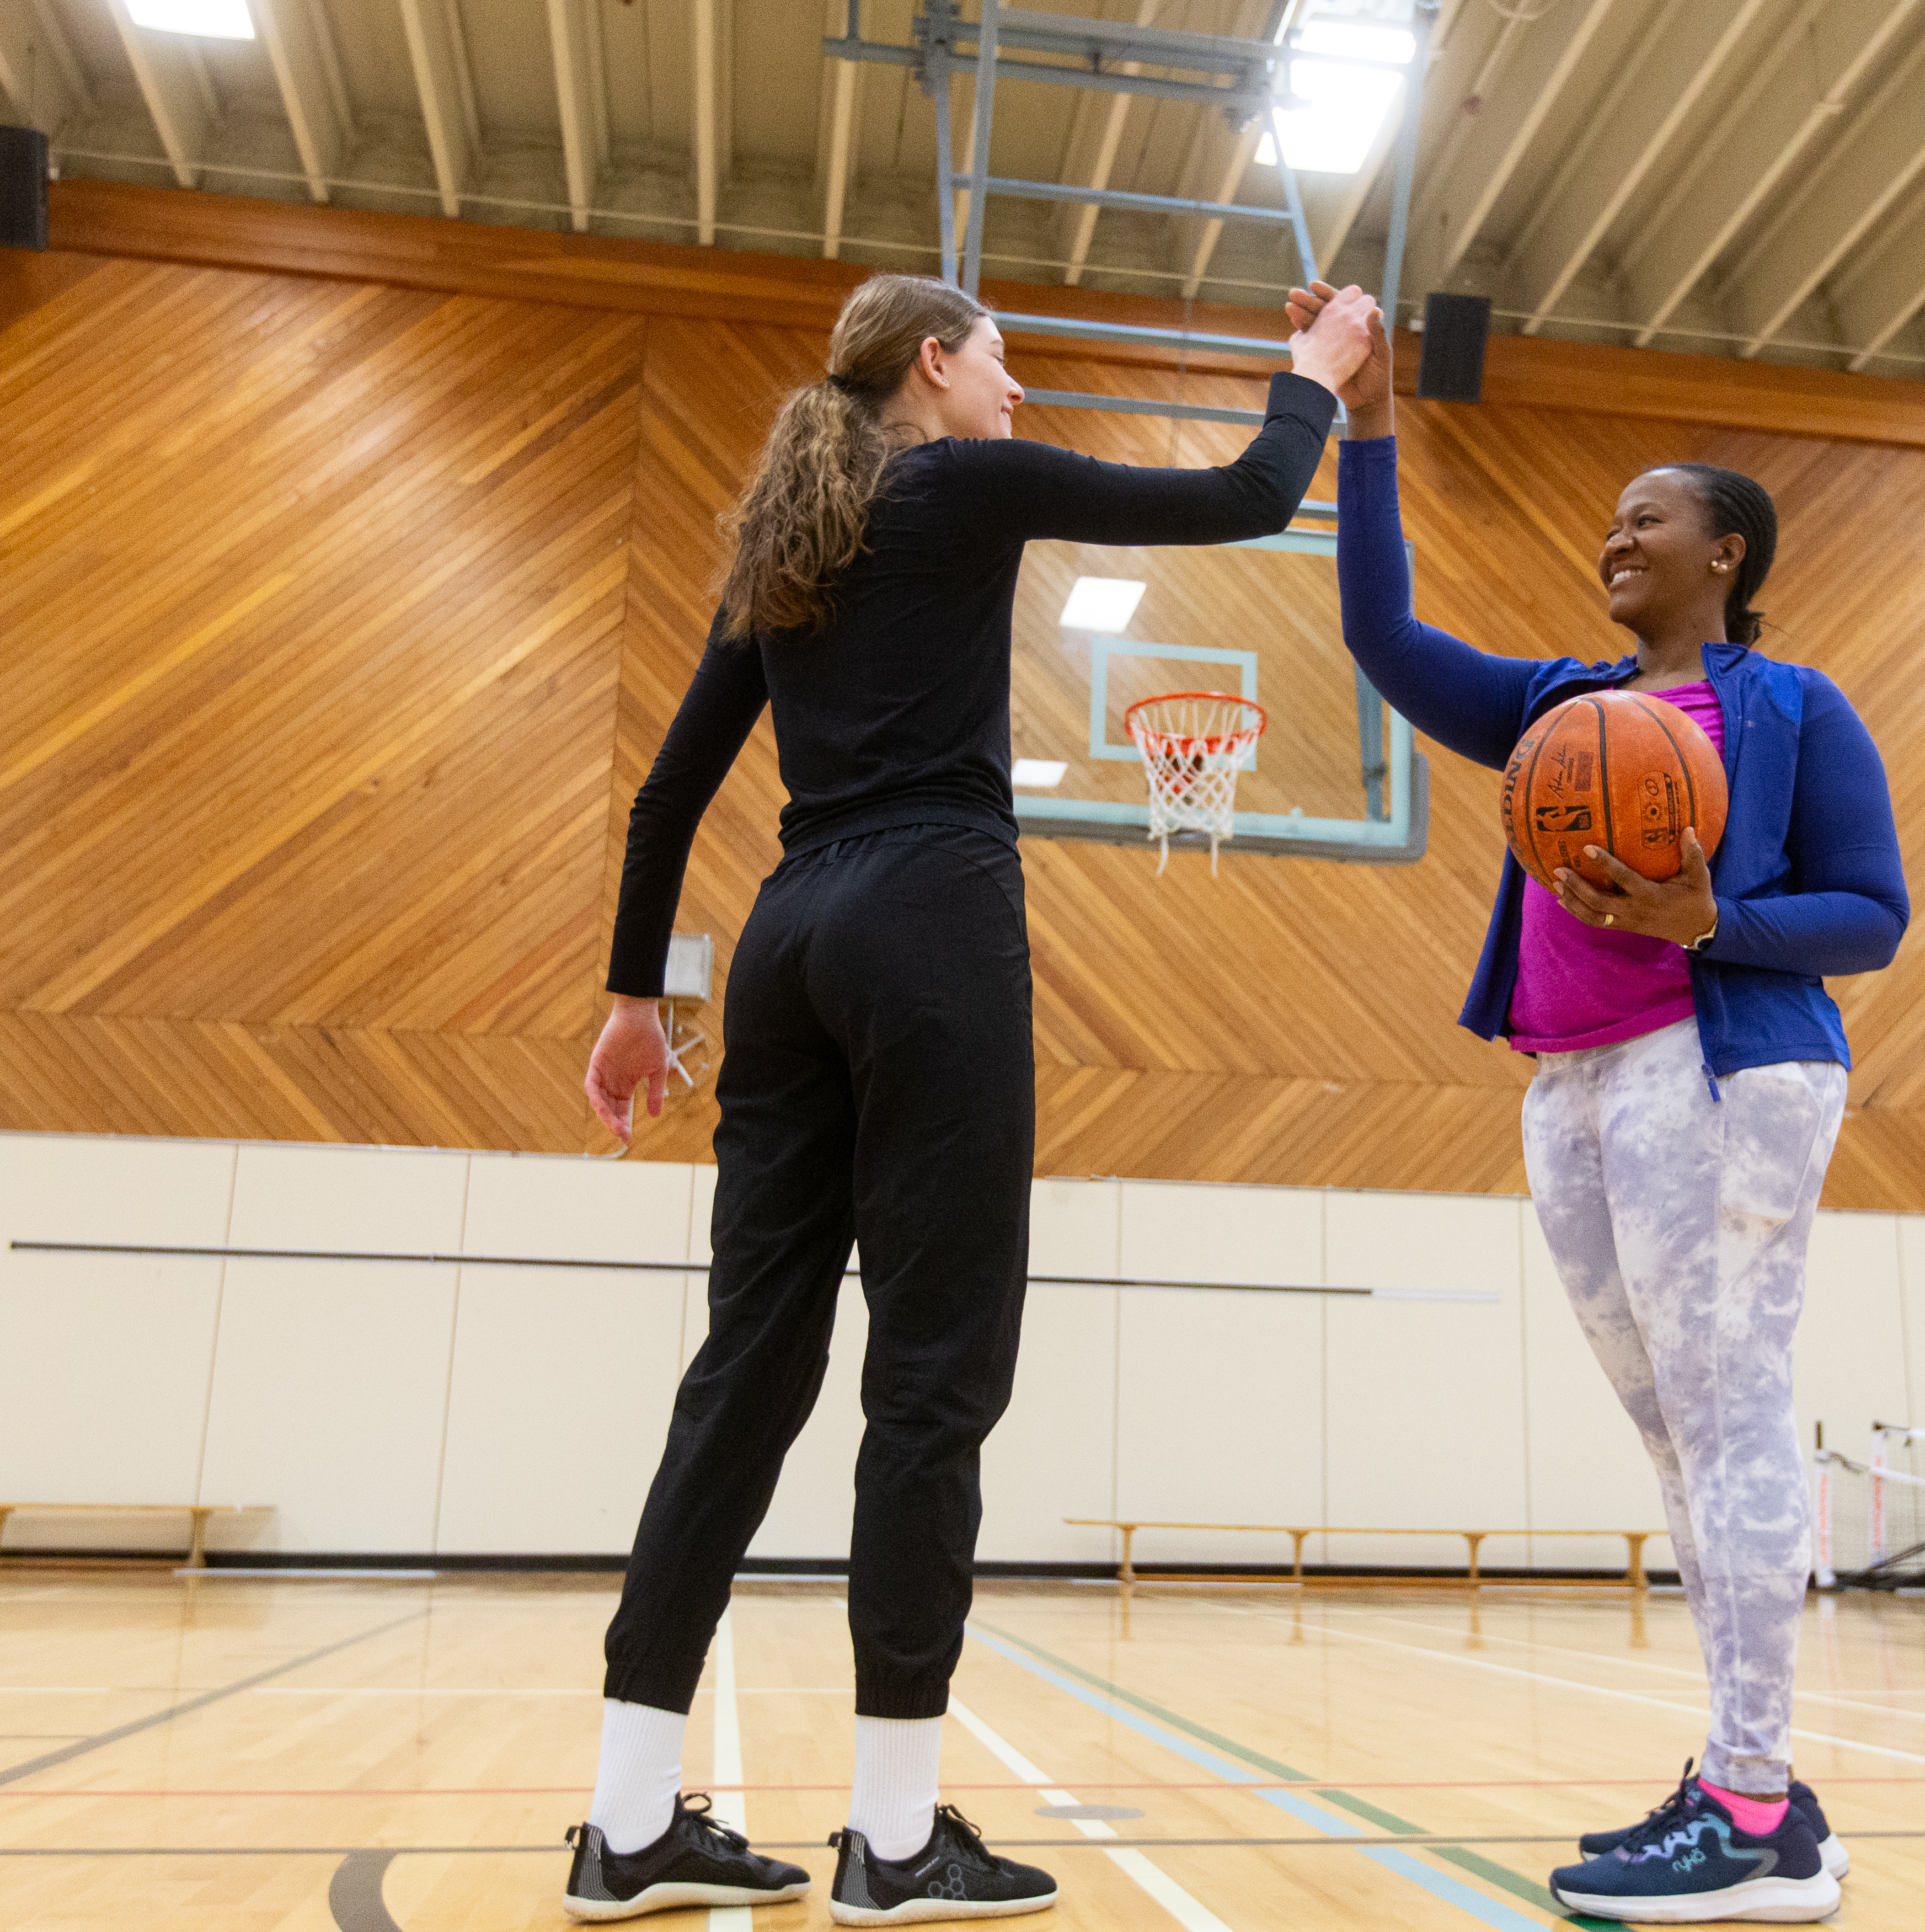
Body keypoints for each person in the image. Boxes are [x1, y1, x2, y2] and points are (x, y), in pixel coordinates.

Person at [569, 271, 1379, 1927]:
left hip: (789, 937)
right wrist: (1314, 368)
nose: (1017, 390)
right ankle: (891, 1834)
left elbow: (666, 796)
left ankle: (626, 1823)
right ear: (934, 366)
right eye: (1003, 359)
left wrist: (636, 1001)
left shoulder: (786, 551)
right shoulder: (965, 483)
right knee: (934, 1382)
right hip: (930, 911)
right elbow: (1244, 497)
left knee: (743, 1375)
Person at [1289, 281, 1907, 1926]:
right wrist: (1367, 432)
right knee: (1670, 1439)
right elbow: (1386, 643)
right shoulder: (1564, 703)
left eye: (1652, 521)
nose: (1617, 539)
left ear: (1731, 557)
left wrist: (1712, 921)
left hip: (1724, 1070)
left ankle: (1756, 1806)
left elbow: (1875, 915)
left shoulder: (1792, 709)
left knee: (1731, 1414)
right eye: (1612, 523)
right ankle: (1748, 1782)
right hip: (1566, 1085)